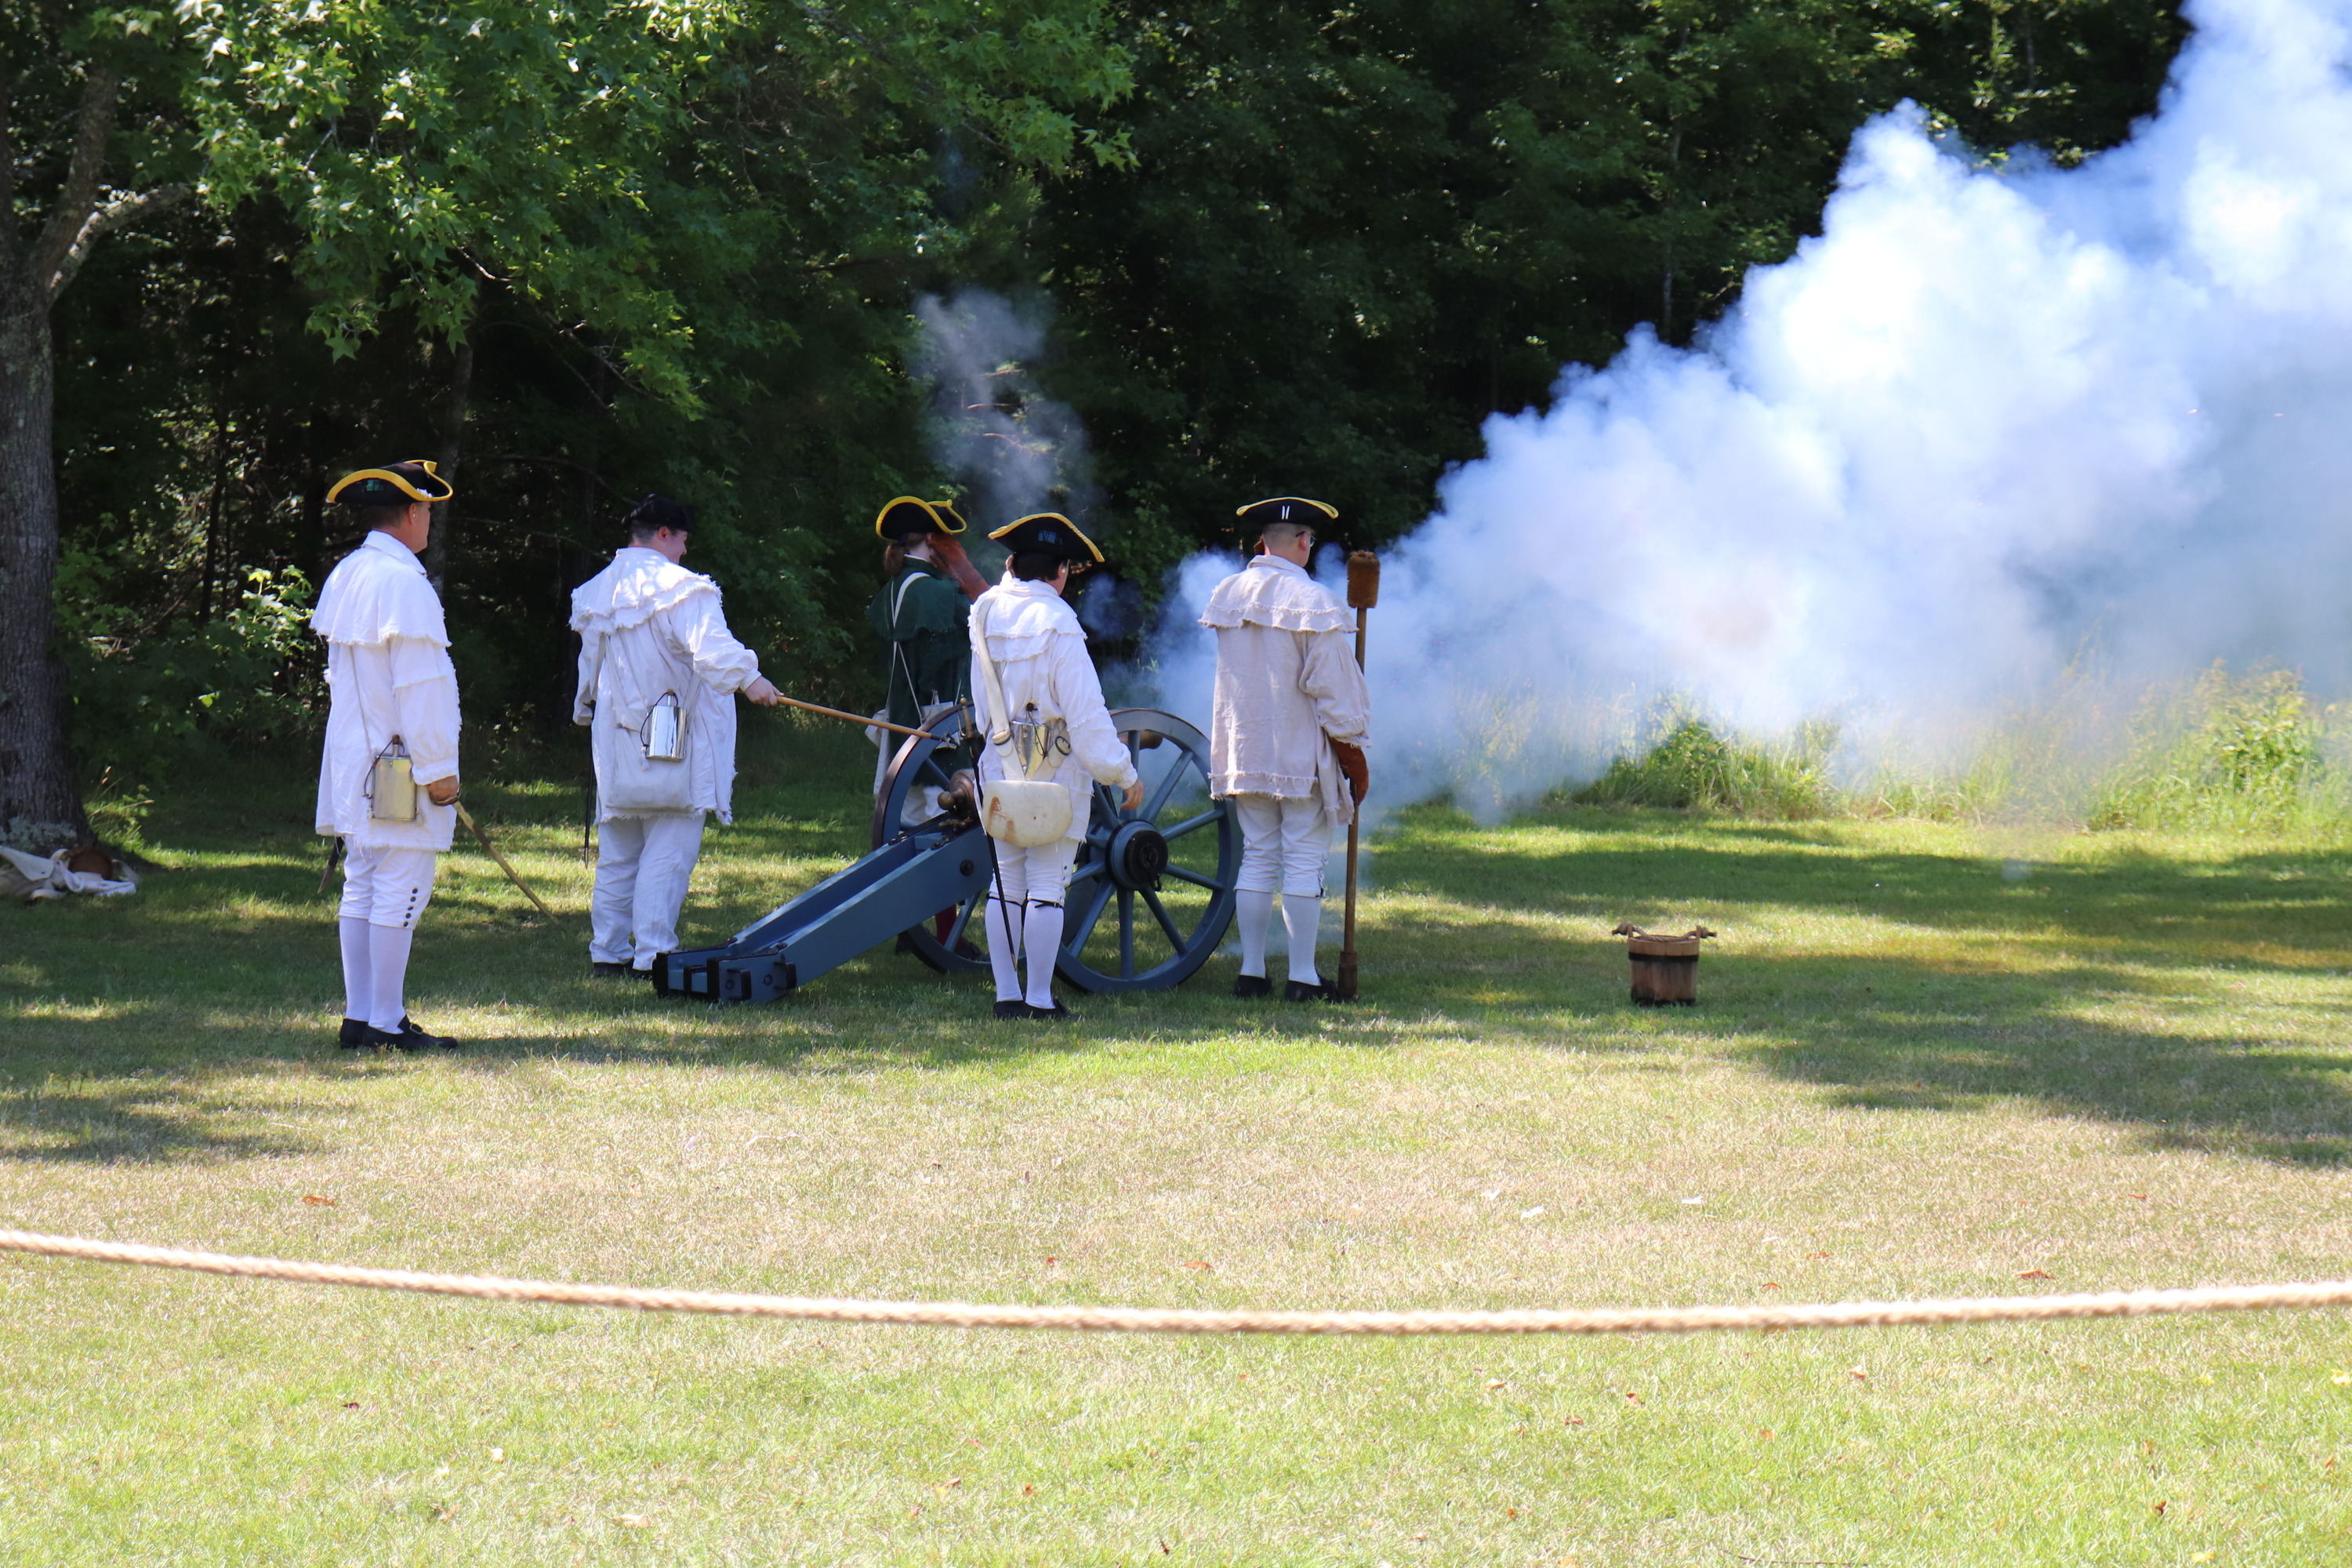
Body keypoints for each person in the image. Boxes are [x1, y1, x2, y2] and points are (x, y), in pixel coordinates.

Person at [572, 495, 784, 978]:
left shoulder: (598, 591)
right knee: (668, 849)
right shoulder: (684, 589)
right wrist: (751, 679)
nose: (686, 552)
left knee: (620, 850)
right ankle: (653, 955)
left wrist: (585, 710)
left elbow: (590, 670)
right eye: (683, 540)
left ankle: (608, 950)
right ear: (664, 534)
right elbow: (711, 651)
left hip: (616, 741)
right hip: (672, 741)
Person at [313, 459, 466, 1050]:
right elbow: (420, 687)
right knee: (400, 881)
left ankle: (362, 1017)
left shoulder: (349, 571)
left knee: (365, 880)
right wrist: (439, 769)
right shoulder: (403, 582)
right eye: (427, 509)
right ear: (410, 513)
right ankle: (383, 1020)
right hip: (399, 763)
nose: (429, 520)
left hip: (357, 756)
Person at [969, 513, 1144, 1019]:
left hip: (999, 764)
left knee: (1004, 882)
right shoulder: (1061, 624)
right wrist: (1124, 774)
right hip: (1055, 771)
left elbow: (983, 706)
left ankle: (1006, 996)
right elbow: (1087, 719)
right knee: (1047, 886)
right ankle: (1040, 998)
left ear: (1013, 564)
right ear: (1061, 572)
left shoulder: (982, 613)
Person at [1200, 496, 1372, 1001]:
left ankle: (1251, 974)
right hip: (1300, 756)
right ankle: (1302, 979)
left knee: (1257, 857)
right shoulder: (1314, 601)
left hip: (1247, 751)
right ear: (1302, 541)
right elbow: (1336, 695)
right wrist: (1354, 758)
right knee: (1302, 861)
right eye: (1310, 541)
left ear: (1262, 543)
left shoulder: (1229, 594)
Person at [864, 496, 986, 822]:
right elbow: (993, 618)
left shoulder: (893, 589)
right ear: (935, 540)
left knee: (906, 823)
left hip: (904, 722)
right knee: (943, 822)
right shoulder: (936, 594)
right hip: (940, 731)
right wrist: (965, 571)